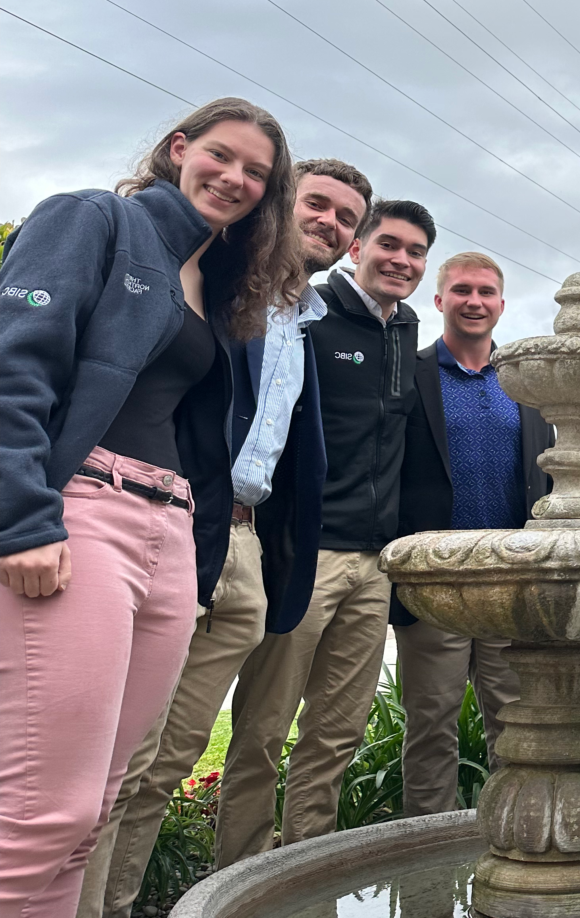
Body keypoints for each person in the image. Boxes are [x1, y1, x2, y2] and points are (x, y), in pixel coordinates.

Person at [0, 98, 302, 915]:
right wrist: (23, 517)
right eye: (221, 155)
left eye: (257, 174)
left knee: (94, 807)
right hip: (84, 509)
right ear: (178, 148)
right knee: (39, 814)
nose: (235, 178)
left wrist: (195, 556)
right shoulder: (93, 219)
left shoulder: (215, 282)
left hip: (168, 535)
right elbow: (13, 365)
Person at [77, 159, 372, 918]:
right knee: (121, 755)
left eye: (347, 218)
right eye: (319, 204)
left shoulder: (301, 322)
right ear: (284, 203)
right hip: (173, 523)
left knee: (169, 757)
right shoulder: (213, 285)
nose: (332, 224)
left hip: (244, 551)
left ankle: (118, 902)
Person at [215, 198, 435, 865]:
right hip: (306, 555)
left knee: (335, 733)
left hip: (375, 566)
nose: (402, 260)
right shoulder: (308, 315)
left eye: (416, 251)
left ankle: (307, 870)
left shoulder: (407, 332)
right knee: (262, 728)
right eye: (389, 244)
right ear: (357, 249)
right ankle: (241, 874)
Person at [392, 252, 554, 816]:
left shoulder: (526, 387)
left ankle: (519, 844)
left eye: (486, 292)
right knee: (430, 726)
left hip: (512, 585)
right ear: (439, 301)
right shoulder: (409, 376)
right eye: (462, 290)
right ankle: (427, 857)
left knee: (516, 727)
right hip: (437, 582)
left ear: (501, 305)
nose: (474, 301)